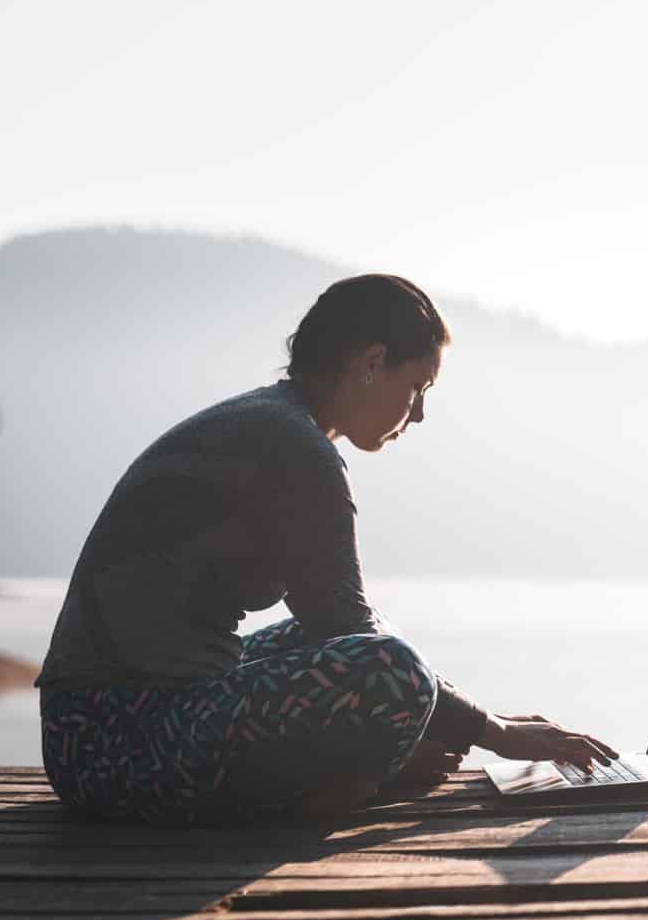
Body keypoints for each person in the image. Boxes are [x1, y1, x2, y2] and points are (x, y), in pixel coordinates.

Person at [35, 273, 615, 822]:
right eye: (417, 386)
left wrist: (463, 720)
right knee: (392, 667)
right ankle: (333, 786)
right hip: (121, 743)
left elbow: (334, 621)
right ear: (371, 362)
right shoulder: (293, 446)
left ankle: (347, 776)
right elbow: (347, 627)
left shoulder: (269, 420)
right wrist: (496, 732)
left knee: (365, 645)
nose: (419, 413)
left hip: (86, 737)